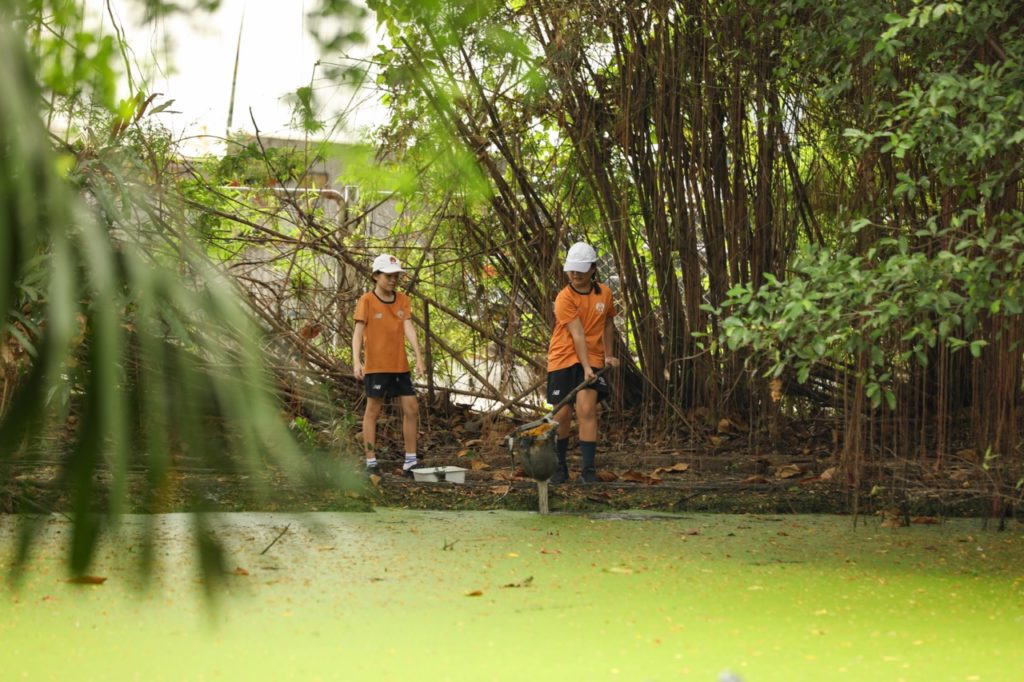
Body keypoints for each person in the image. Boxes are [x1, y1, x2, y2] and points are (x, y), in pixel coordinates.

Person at [546, 241, 620, 483]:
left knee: (587, 410)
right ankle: (559, 467)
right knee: (562, 413)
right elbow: (577, 333)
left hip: (594, 356)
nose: (575, 274)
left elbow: (608, 323)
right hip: (564, 357)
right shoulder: (564, 298)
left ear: (593, 269)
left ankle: (588, 472)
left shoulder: (605, 294)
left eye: (581, 269)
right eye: (572, 269)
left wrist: (608, 355)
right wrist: (586, 368)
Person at [352, 254, 425, 476]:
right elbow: (358, 334)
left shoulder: (403, 300)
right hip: (376, 366)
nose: (393, 280)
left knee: (412, 408)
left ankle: (410, 461)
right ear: (376, 276)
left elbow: (408, 327)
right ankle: (371, 461)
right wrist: (356, 361)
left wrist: (419, 356)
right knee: (373, 411)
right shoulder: (366, 300)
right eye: (388, 276)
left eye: (396, 276)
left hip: (400, 365)